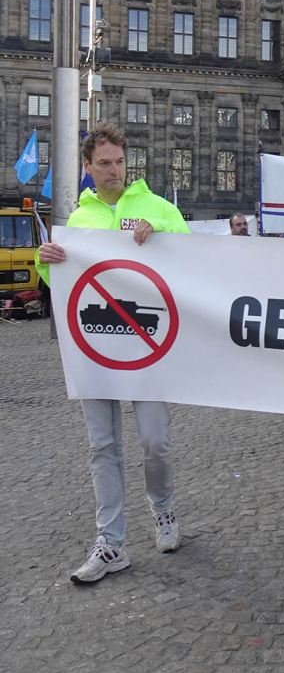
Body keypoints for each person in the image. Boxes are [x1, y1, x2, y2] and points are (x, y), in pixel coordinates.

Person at [36, 124, 190, 585]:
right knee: (102, 446)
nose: (113, 170)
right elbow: (60, 285)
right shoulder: (78, 220)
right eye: (104, 163)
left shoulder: (156, 206)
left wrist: (161, 231)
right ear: (88, 166)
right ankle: (111, 541)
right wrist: (46, 260)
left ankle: (163, 509)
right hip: (96, 348)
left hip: (147, 348)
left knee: (155, 441)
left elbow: (193, 251)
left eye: (119, 161)